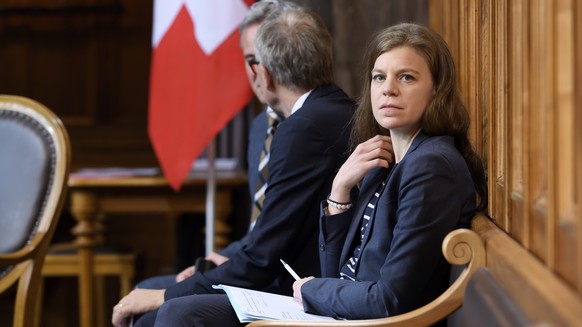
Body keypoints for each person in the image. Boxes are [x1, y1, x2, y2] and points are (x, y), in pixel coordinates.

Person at [112, 2, 358, 326]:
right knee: (149, 293)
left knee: (161, 307)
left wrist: (170, 295)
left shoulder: (302, 128)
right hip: (281, 272)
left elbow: (264, 258)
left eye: (254, 61)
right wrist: (225, 259)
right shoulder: (322, 113)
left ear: (264, 73)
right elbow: (273, 229)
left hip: (301, 287)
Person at [291, 22, 488, 321]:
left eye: (406, 77)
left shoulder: (431, 166)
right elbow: (337, 276)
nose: (388, 89)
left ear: (437, 89)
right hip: (346, 318)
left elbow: (389, 300)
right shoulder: (384, 162)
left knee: (198, 314)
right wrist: (340, 189)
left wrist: (311, 291)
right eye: (379, 77)